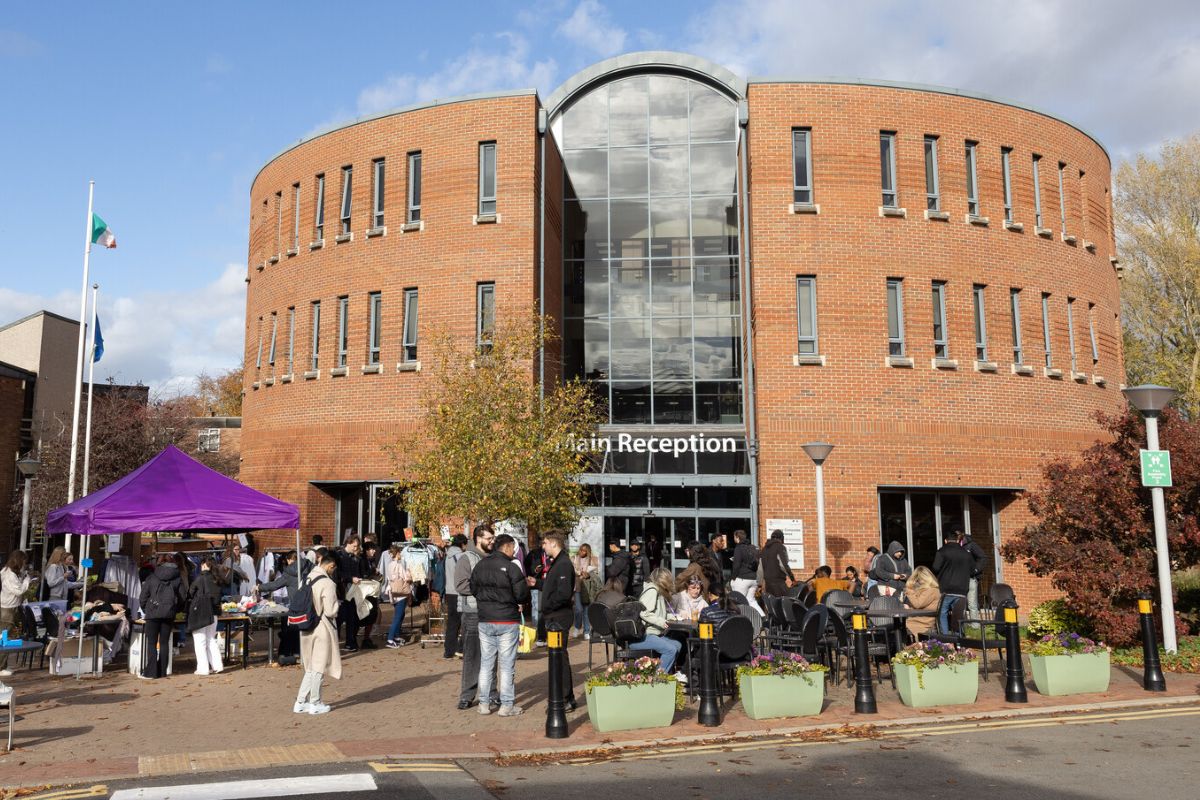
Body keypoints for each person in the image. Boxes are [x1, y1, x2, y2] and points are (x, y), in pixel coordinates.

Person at [470, 532, 531, 717]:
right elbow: (522, 594)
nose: (514, 551)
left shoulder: (480, 565)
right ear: (507, 547)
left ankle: (484, 704)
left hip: (486, 619)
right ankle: (506, 705)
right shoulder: (511, 567)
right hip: (507, 619)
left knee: (486, 664)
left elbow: (473, 589)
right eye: (513, 548)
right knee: (506, 665)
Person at [455, 526, 498, 711]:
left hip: (492, 613)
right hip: (473, 613)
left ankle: (491, 693)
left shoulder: (494, 558)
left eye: (493, 538)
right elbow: (461, 585)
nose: (492, 541)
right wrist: (486, 590)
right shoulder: (466, 558)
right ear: (478, 539)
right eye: (489, 538)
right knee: (472, 656)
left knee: (492, 656)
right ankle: (467, 695)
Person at [536, 531, 577, 710]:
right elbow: (552, 587)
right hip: (554, 617)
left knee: (559, 657)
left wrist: (548, 606)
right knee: (556, 657)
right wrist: (537, 584)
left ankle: (564, 698)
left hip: (558, 618)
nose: (543, 546)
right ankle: (566, 697)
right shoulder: (557, 563)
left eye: (545, 543)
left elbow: (563, 594)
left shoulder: (563, 564)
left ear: (553, 543)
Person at [296, 552, 341, 714]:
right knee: (318, 667)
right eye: (333, 568)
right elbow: (330, 611)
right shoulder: (328, 583)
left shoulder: (306, 578)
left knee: (310, 667)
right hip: (322, 627)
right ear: (331, 566)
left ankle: (300, 701)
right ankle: (315, 702)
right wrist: (338, 605)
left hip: (305, 625)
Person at [626, 567, 684, 679]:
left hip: (653, 634)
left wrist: (674, 617)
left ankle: (663, 672)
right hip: (643, 636)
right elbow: (643, 612)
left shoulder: (658, 591)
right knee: (670, 650)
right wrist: (661, 622)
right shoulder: (652, 591)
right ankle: (658, 678)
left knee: (677, 645)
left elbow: (658, 614)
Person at [257, 549, 309, 665]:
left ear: (289, 560)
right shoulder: (307, 568)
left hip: (293, 606)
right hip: (306, 605)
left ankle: (284, 653)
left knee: (288, 630)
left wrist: (259, 587)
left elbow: (275, 585)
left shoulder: (289, 573)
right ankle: (297, 652)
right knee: (299, 630)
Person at [138, 555, 185, 679]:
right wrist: (175, 610)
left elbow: (143, 597)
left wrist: (146, 609)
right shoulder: (177, 578)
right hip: (169, 614)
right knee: (164, 643)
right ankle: (162, 671)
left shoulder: (152, 577)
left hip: (152, 613)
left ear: (158, 563)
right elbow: (183, 597)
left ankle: (151, 672)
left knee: (152, 643)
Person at [186, 557, 224, 676]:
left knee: (200, 640)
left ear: (203, 565)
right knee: (211, 639)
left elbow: (190, 593)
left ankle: (203, 668)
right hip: (214, 613)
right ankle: (217, 665)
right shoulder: (217, 579)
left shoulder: (199, 578)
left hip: (201, 612)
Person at [932, 528, 974, 633]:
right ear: (957, 540)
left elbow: (935, 568)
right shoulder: (966, 553)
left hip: (946, 589)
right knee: (958, 616)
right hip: (962, 590)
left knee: (942, 613)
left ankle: (945, 638)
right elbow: (972, 570)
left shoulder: (942, 551)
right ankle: (958, 638)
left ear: (945, 540)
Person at [334, 535, 369, 652]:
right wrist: (350, 578)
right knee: (342, 616)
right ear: (348, 544)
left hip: (354, 590)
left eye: (357, 546)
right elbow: (337, 573)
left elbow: (359, 572)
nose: (356, 548)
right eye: (354, 546)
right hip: (343, 591)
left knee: (352, 617)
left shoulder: (355, 557)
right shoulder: (339, 556)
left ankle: (350, 641)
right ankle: (343, 641)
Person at [0, 551, 32, 677]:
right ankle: (1, 667)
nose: (24, 564)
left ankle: (3, 665)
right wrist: (27, 580)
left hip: (9, 606)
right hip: (8, 608)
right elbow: (18, 591)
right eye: (23, 561)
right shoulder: (10, 575)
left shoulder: (8, 572)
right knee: (4, 638)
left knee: (5, 637)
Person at [443, 534, 468, 658]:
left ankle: (449, 651)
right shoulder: (461, 556)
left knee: (452, 622)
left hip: (449, 591)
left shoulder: (447, 556)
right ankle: (460, 648)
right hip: (459, 592)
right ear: (462, 544)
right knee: (464, 621)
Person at [384, 542, 412, 648]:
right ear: (398, 553)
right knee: (398, 616)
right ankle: (390, 639)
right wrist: (410, 574)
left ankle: (396, 635)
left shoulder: (390, 565)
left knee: (400, 614)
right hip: (401, 593)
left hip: (393, 592)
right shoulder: (399, 565)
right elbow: (406, 578)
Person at [729, 530, 762, 615]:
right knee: (751, 601)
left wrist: (733, 578)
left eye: (734, 537)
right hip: (753, 579)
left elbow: (736, 565)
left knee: (738, 602)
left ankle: (739, 620)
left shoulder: (739, 548)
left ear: (737, 537)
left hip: (742, 579)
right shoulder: (752, 547)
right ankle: (763, 618)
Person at [903, 566, 941, 640]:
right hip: (919, 620)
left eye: (918, 579)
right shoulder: (928, 590)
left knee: (897, 628)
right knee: (896, 626)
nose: (917, 582)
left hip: (922, 623)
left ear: (924, 578)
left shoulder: (932, 590)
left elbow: (918, 604)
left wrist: (909, 591)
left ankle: (901, 645)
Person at [572, 543, 599, 639]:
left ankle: (586, 631)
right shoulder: (574, 558)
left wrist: (588, 574)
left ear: (588, 552)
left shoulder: (592, 560)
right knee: (578, 609)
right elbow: (570, 571)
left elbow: (595, 573)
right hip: (577, 587)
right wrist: (579, 573)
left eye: (584, 551)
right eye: (581, 550)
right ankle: (577, 627)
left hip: (588, 588)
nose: (582, 552)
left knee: (586, 610)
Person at [760, 529, 795, 597]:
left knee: (771, 602)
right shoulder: (780, 547)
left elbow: (760, 567)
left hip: (767, 583)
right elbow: (783, 565)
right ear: (781, 538)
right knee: (784, 601)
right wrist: (792, 579)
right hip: (778, 582)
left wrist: (760, 583)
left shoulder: (764, 549)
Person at [963, 533, 987, 617]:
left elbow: (983, 557)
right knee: (960, 604)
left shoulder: (971, 545)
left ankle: (975, 623)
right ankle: (962, 622)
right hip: (959, 578)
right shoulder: (956, 546)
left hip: (971, 578)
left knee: (972, 603)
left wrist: (975, 570)